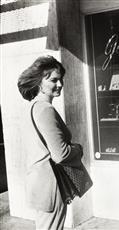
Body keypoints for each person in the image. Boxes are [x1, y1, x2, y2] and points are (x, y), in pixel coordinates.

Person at [17, 55, 84, 230]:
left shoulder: (31, 107)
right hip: (51, 182)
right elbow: (61, 155)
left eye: (61, 79)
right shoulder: (45, 109)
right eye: (54, 80)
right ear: (39, 82)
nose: (60, 84)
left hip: (37, 181)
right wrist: (78, 149)